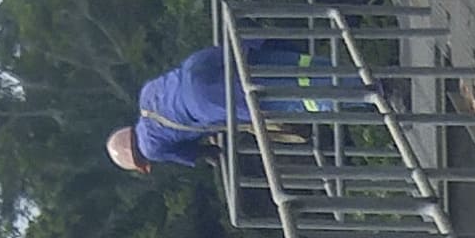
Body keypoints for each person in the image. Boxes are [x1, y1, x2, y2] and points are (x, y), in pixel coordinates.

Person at [104, 37, 390, 176]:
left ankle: (377, 94)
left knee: (292, 97)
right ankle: (370, 74)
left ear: (142, 163)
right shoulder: (146, 96)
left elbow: (203, 151)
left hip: (206, 101)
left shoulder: (153, 147)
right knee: (285, 66)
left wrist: (215, 154)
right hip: (198, 64)